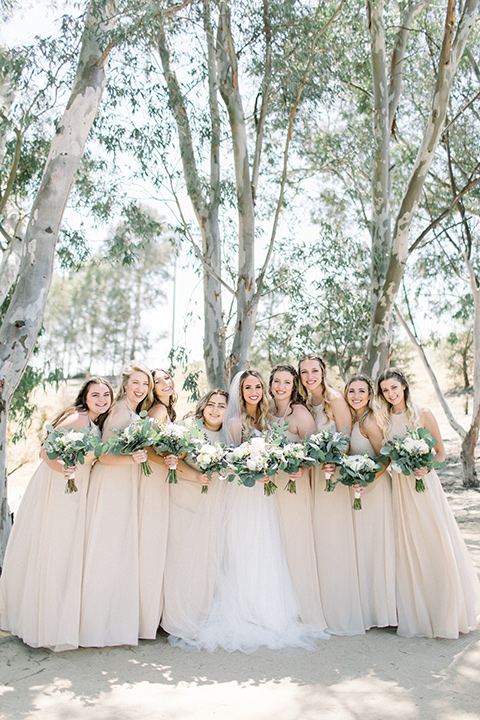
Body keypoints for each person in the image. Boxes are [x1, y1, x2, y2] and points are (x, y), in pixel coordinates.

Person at [179, 369, 316, 653]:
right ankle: (241, 609)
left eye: (257, 387)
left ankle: (265, 607)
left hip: (264, 496)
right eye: (247, 387)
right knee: (242, 546)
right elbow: (233, 462)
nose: (253, 392)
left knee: (264, 547)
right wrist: (255, 468)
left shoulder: (264, 419)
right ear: (239, 391)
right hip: (243, 493)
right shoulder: (234, 421)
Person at [0, 377, 113, 651]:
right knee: (57, 546)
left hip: (78, 486)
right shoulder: (77, 419)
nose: (101, 399)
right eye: (95, 394)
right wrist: (63, 467)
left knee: (67, 549)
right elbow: (44, 451)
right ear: (85, 397)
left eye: (106, 394)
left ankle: (60, 613)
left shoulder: (95, 423)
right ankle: (45, 620)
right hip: (61, 484)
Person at [377, 368, 480, 638]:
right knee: (408, 545)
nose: (390, 394)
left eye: (394, 388)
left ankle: (444, 610)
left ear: (404, 387)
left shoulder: (423, 414)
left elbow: (442, 454)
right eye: (385, 390)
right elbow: (386, 458)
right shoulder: (384, 419)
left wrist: (425, 467)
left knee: (434, 540)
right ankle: (415, 611)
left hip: (424, 487)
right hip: (400, 488)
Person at [79, 363, 153, 647]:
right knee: (107, 547)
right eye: (136, 383)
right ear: (125, 385)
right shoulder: (121, 410)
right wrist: (133, 459)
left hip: (125, 483)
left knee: (119, 548)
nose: (141, 389)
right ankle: (96, 624)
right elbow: (104, 456)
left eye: (145, 385)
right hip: (111, 483)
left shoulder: (132, 412)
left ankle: (112, 618)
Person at [298, 354, 364, 635]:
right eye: (304, 372)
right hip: (307, 476)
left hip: (331, 475)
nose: (309, 376)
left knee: (332, 539)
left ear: (323, 372)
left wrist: (334, 461)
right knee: (313, 539)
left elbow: (345, 439)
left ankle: (340, 610)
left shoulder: (335, 400)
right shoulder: (301, 403)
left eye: (314, 371)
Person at [269, 364, 327, 634]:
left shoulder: (299, 412)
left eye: (287, 383)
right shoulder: (268, 412)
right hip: (270, 488)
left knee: (295, 543)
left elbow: (315, 448)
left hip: (293, 486)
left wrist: (302, 467)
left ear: (294, 387)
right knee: (275, 545)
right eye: (277, 381)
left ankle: (304, 609)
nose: (281, 387)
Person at [160, 380, 215, 641]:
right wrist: (195, 478)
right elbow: (172, 463)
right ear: (202, 408)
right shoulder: (189, 430)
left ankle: (200, 612)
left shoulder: (232, 432)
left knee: (205, 559)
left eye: (222, 406)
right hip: (184, 497)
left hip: (212, 503)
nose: (215, 410)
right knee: (181, 554)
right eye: (211, 404)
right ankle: (174, 616)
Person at [344, 373, 397, 630]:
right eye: (351, 391)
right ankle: (368, 609)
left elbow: (384, 457)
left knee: (377, 548)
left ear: (370, 395)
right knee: (364, 549)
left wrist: (366, 480)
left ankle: (383, 611)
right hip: (360, 489)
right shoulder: (352, 420)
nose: (356, 396)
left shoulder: (369, 421)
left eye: (361, 391)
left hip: (375, 489)